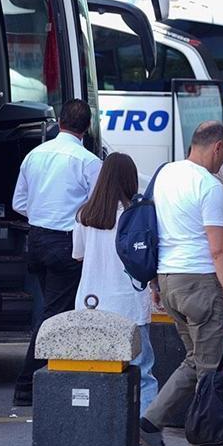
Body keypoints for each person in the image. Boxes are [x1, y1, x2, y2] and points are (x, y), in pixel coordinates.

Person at [139, 121, 223, 446]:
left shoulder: (166, 175)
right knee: (210, 371)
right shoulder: (209, 186)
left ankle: (157, 426)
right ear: (218, 147)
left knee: (197, 361)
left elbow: (154, 230)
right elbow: (219, 250)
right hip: (200, 283)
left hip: (170, 279)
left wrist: (156, 283)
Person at [11, 99, 102, 406]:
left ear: (59, 121)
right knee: (55, 316)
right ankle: (29, 383)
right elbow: (98, 209)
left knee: (46, 311)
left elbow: (18, 204)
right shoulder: (88, 161)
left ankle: (47, 378)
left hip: (36, 239)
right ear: (86, 127)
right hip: (66, 242)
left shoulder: (34, 155)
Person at [71, 152, 157, 417]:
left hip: (91, 302)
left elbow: (78, 254)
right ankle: (143, 428)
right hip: (128, 303)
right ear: (131, 179)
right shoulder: (137, 216)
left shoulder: (85, 214)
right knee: (142, 372)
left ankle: (101, 427)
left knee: (97, 370)